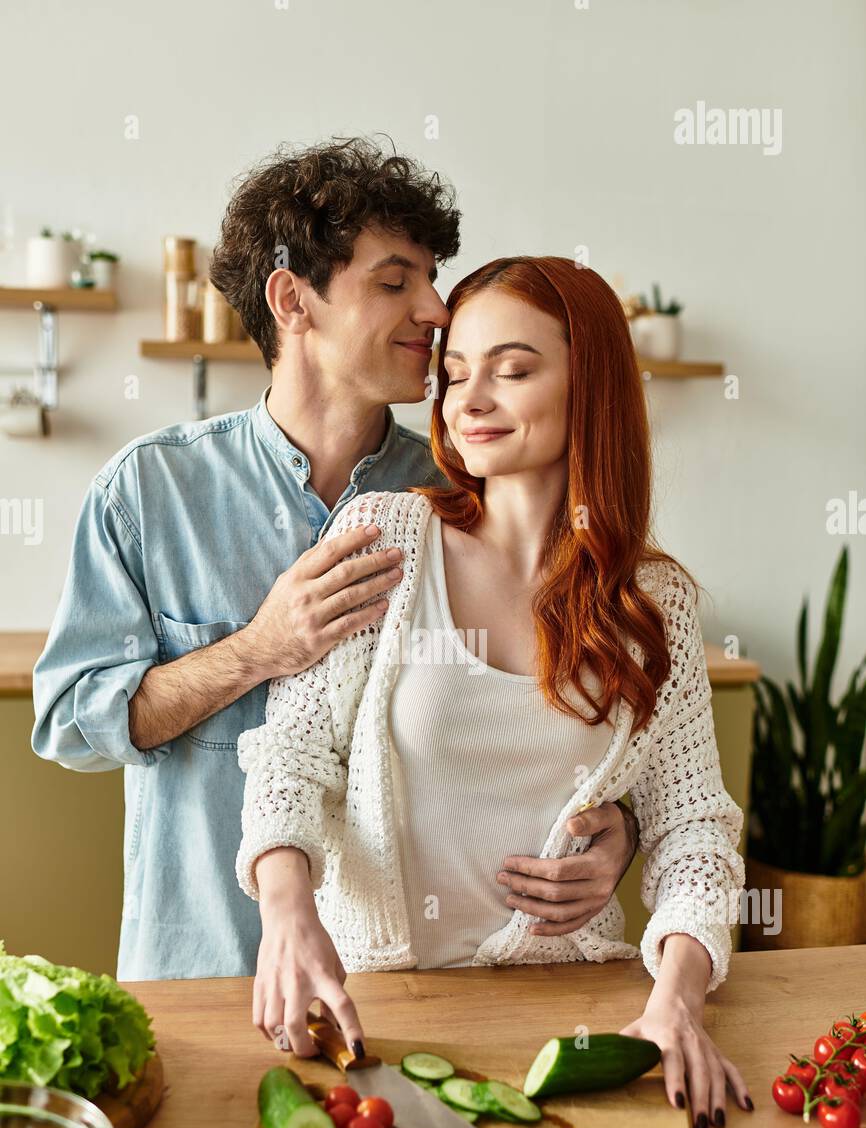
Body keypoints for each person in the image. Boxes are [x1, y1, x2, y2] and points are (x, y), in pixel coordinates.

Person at [30, 138, 638, 982]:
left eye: (433, 278)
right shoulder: (149, 490)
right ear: (292, 299)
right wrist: (258, 649)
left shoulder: (457, 495)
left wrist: (622, 832)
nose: (434, 309)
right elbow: (69, 722)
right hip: (201, 966)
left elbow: (577, 720)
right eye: (395, 281)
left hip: (410, 986)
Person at [235, 257, 753, 1128]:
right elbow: (295, 749)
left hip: (577, 1000)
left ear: (590, 388)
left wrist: (678, 998)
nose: (468, 400)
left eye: (512, 371)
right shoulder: (384, 540)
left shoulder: (652, 601)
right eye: (455, 373)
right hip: (379, 1011)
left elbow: (694, 823)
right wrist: (285, 912)